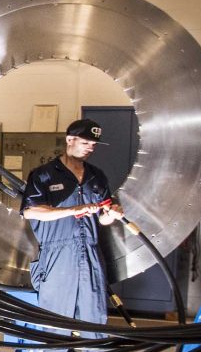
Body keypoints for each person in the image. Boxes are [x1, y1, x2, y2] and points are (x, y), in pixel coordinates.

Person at [20, 116, 125, 336]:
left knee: (94, 321)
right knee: (56, 324)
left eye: (93, 145)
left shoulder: (97, 176)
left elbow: (102, 218)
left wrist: (112, 214)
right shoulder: (44, 175)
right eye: (85, 143)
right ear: (70, 140)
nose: (90, 148)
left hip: (91, 255)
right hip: (57, 256)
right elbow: (31, 211)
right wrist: (72, 211)